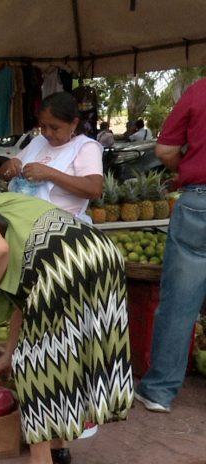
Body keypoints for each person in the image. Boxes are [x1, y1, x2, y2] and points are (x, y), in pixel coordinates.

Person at [0, 185, 133, 464]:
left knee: (36, 365)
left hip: (61, 262)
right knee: (65, 354)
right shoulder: (9, 207)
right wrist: (7, 355)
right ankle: (58, 450)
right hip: (101, 255)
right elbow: (25, 307)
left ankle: (40, 459)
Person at [134, 78, 206, 414]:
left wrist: (186, 167)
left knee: (180, 302)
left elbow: (164, 151)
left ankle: (159, 391)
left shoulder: (199, 90)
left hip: (199, 203)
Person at [0, 92, 103, 223]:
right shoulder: (38, 142)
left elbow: (94, 189)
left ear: (74, 123)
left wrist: (50, 173)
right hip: (22, 221)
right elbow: (4, 173)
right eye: (43, 126)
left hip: (61, 228)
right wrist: (9, 166)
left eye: (54, 127)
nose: (47, 133)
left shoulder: (85, 147)